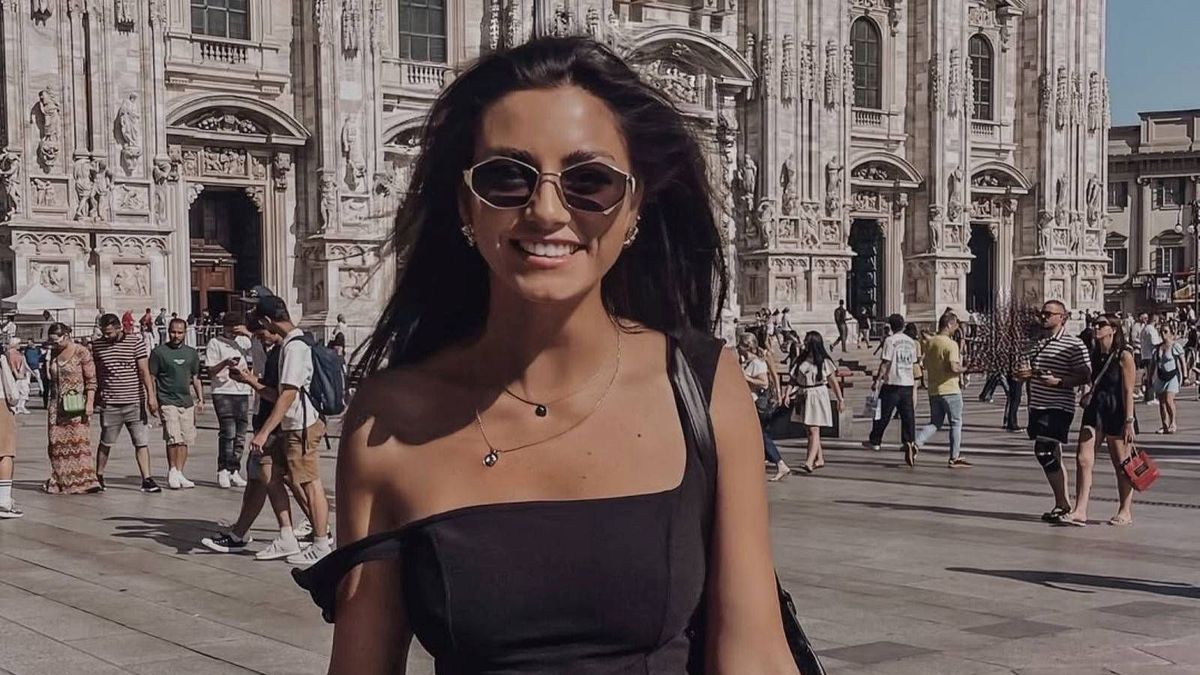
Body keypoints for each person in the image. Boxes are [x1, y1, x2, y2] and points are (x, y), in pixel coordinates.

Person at [302, 37, 798, 672]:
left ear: (635, 206)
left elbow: (755, 654)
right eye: (507, 176)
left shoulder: (701, 385)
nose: (545, 210)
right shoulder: (390, 422)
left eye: (590, 181)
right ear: (465, 203)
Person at [201, 313, 316, 555]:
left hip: (273, 424)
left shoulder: (285, 352)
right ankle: (240, 533)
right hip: (268, 422)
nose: (259, 339)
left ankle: (316, 530)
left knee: (283, 478)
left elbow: (280, 395)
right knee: (259, 478)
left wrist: (250, 382)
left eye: (261, 334)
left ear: (272, 326)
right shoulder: (277, 350)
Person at [247, 296, 331, 564]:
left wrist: (264, 431)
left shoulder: (295, 347)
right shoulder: (292, 343)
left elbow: (288, 395)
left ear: (266, 321)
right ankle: (289, 537)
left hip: (301, 425)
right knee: (278, 475)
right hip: (294, 424)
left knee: (309, 483)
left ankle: (321, 543)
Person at [1013, 300, 1090, 522]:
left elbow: (1085, 374)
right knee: (1052, 453)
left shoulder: (1073, 344)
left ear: (1062, 317)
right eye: (1042, 313)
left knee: (1044, 451)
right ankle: (1061, 504)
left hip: (1059, 404)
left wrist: (1059, 381)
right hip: (1037, 404)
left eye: (1048, 314)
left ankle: (1063, 502)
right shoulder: (1033, 343)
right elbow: (1024, 369)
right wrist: (1022, 374)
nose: (1043, 317)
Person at [1059, 314, 1138, 527]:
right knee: (1083, 458)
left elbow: (1129, 391)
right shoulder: (1094, 353)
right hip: (1095, 410)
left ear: (1114, 329)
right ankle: (1080, 510)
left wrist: (1129, 421)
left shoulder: (1124, 355)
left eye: (1102, 324)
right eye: (1095, 324)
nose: (1096, 327)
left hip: (1117, 410)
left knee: (1122, 464)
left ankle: (1125, 510)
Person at [91, 313, 161, 493]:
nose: (106, 337)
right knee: (106, 441)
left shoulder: (135, 342)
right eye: (104, 333)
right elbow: (96, 371)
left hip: (134, 401)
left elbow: (144, 370)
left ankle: (147, 478)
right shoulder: (97, 345)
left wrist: (151, 396)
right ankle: (98, 475)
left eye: (109, 333)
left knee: (141, 441)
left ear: (119, 328)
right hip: (110, 401)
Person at [43, 323, 102, 494]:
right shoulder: (55, 352)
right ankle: (62, 479)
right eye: (52, 341)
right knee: (56, 444)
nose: (54, 344)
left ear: (67, 336)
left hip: (76, 405)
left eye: (57, 340)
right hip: (56, 405)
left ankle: (82, 480)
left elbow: (91, 380)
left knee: (78, 442)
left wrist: (90, 403)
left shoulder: (81, 352)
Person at [148, 318, 204, 490]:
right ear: (168, 331)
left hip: (186, 401)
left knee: (185, 438)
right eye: (173, 332)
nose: (176, 335)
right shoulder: (159, 352)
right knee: (173, 437)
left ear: (185, 333)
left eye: (180, 332)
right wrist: (151, 398)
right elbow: (152, 377)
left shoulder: (191, 353)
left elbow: (195, 377)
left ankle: (180, 472)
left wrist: (200, 398)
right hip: (167, 399)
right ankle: (172, 470)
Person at [914, 312, 970, 468]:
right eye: (955, 325)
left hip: (934, 389)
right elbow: (953, 367)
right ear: (949, 324)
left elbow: (925, 364)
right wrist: (965, 368)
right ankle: (954, 457)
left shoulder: (930, 343)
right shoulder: (951, 344)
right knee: (956, 423)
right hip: (950, 389)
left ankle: (916, 444)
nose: (956, 328)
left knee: (935, 422)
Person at [206, 312, 254, 488]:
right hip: (223, 390)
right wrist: (225, 363)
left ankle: (234, 468)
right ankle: (223, 468)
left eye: (236, 330)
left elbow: (260, 347)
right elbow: (210, 371)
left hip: (242, 391)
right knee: (228, 431)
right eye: (230, 330)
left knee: (241, 433)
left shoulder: (244, 342)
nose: (233, 334)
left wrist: (247, 333)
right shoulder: (215, 343)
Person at [864, 314, 918, 465]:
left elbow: (885, 363)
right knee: (908, 416)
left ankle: (875, 440)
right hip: (907, 383)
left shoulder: (890, 340)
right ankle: (909, 441)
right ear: (903, 325)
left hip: (892, 383)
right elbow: (913, 362)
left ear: (890, 326)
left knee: (882, 414)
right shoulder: (911, 342)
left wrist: (877, 380)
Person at [788, 330, 843, 473]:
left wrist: (840, 399)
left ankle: (809, 461)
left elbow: (833, 382)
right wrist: (787, 394)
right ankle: (819, 459)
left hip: (818, 394)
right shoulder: (801, 360)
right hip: (803, 394)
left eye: (807, 340)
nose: (804, 342)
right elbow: (793, 379)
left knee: (814, 428)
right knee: (809, 429)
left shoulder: (824, 362)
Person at [738, 333, 791, 482]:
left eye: (739, 345)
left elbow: (764, 382)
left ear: (745, 346)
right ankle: (764, 460)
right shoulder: (748, 362)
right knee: (758, 434)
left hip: (758, 403)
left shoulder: (757, 363)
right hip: (749, 402)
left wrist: (746, 377)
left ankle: (780, 463)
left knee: (761, 434)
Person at [0, 345, 22, 517]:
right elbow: (12, 392)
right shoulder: (1, 358)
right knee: (4, 452)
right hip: (1, 404)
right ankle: (3, 501)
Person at [1150, 324, 1185, 434]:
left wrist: (1185, 376)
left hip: (1172, 376)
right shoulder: (1157, 348)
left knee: (1169, 400)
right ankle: (1164, 425)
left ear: (1170, 333)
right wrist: (1150, 377)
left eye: (1165, 331)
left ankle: (1173, 423)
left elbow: (1182, 361)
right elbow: (1153, 364)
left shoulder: (1175, 346)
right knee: (1162, 402)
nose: (1163, 334)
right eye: (1161, 331)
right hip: (1161, 376)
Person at [1137, 312, 1160, 403]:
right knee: (1152, 377)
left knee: (1148, 376)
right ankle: (1151, 397)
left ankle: (1147, 396)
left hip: (1145, 355)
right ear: (1155, 320)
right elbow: (1155, 343)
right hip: (1151, 355)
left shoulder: (1144, 329)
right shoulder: (1151, 329)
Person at [7, 339, 31, 415]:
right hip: (17, 375)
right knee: (18, 391)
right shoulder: (11, 353)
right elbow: (12, 365)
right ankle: (17, 407)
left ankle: (21, 406)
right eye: (18, 343)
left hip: (21, 374)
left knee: (24, 391)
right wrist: (16, 373)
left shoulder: (17, 353)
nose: (19, 345)